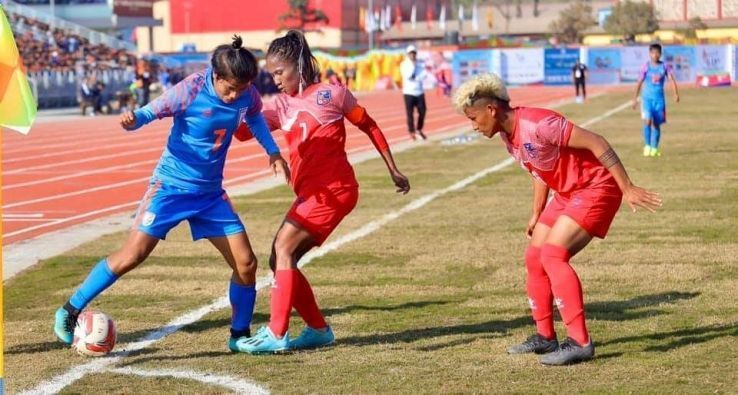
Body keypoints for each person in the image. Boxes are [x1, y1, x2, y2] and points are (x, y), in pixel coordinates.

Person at [53, 36, 290, 354]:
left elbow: (255, 116)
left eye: (241, 89)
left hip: (210, 195)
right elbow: (151, 112)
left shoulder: (247, 92)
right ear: (216, 76)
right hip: (170, 189)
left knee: (246, 263)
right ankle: (68, 311)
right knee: (132, 256)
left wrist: (273, 152)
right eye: (229, 89)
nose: (235, 95)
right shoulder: (191, 89)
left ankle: (239, 335)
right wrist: (132, 120)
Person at [453, 73, 661, 365]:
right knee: (534, 258)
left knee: (553, 255)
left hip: (595, 188)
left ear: (491, 110)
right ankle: (546, 337)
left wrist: (627, 186)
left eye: (473, 118)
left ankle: (580, 342)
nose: (473, 126)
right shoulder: (507, 136)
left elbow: (597, 141)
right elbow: (540, 168)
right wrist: (537, 213)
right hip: (567, 193)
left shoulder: (540, 124)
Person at [231, 30, 410, 354]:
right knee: (280, 257)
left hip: (334, 189)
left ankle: (277, 332)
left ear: (299, 66)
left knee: (283, 248)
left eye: (280, 72)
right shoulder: (282, 105)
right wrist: (237, 98)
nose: (276, 80)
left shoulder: (333, 94)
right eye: (271, 74)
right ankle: (317, 330)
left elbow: (368, 123)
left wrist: (392, 168)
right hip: (311, 194)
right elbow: (244, 133)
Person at [632, 43, 680, 157]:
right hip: (646, 99)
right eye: (653, 53)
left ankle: (654, 148)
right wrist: (634, 98)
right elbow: (639, 82)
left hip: (659, 100)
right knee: (647, 121)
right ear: (649, 54)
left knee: (656, 124)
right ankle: (647, 146)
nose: (655, 55)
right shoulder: (646, 66)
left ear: (660, 54)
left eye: (657, 53)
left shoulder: (664, 66)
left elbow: (671, 80)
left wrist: (676, 94)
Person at [400, 44, 428, 140]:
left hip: (419, 92)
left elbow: (424, 75)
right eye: (411, 53)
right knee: (410, 113)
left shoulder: (420, 64)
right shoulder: (404, 64)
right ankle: (411, 131)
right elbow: (408, 76)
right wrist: (413, 65)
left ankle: (419, 129)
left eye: (414, 53)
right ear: (408, 54)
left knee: (423, 111)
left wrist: (417, 76)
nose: (412, 55)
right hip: (408, 92)